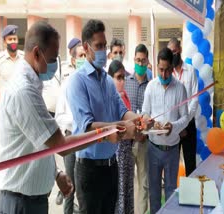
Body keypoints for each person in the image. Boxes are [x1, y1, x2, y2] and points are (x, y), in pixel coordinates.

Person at [0, 21, 122, 214]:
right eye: (53, 58)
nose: (55, 64)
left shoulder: (32, 86)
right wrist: (104, 133)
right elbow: (59, 145)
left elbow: (37, 142)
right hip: (20, 203)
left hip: (32, 199)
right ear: (37, 53)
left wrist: (55, 173)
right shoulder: (24, 91)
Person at [66, 19, 142, 214]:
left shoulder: (108, 81)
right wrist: (120, 128)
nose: (103, 51)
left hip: (111, 166)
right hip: (89, 170)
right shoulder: (77, 81)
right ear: (86, 47)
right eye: (98, 46)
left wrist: (139, 119)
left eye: (104, 45)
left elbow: (122, 111)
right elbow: (87, 126)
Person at [142, 47, 189, 214]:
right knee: (154, 192)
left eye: (167, 70)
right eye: (161, 70)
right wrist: (148, 120)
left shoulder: (180, 88)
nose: (164, 75)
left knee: (170, 191)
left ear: (172, 67)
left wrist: (173, 127)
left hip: (172, 150)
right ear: (156, 66)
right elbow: (145, 112)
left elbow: (185, 118)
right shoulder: (151, 87)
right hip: (153, 148)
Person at [55, 38, 86, 213]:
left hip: (89, 142)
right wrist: (78, 122)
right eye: (80, 56)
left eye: (85, 55)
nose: (84, 58)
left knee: (85, 188)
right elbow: (60, 116)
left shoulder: (91, 84)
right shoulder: (66, 85)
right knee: (70, 187)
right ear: (74, 60)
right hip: (72, 141)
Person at [125, 43, 151, 214]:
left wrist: (145, 132)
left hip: (144, 142)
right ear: (134, 60)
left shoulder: (152, 85)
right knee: (126, 184)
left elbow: (153, 114)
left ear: (147, 61)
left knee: (144, 183)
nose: (140, 64)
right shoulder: (126, 83)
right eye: (138, 60)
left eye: (143, 61)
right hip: (127, 142)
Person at [167, 37, 198, 176]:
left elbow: (194, 100)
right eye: (170, 52)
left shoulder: (190, 71)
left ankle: (191, 196)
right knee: (172, 164)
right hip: (173, 126)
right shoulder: (168, 75)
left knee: (190, 163)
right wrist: (178, 126)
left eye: (174, 51)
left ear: (179, 50)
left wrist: (184, 123)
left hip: (189, 125)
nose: (173, 55)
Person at [108, 60, 134, 214]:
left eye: (124, 77)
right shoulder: (110, 99)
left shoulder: (124, 96)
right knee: (120, 192)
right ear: (110, 78)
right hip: (117, 151)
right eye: (118, 77)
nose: (122, 81)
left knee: (128, 189)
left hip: (127, 150)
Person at [0, 24, 24, 112]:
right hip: (5, 107)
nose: (13, 42)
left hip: (23, 107)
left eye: (15, 39)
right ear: (4, 42)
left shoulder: (25, 58)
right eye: (10, 39)